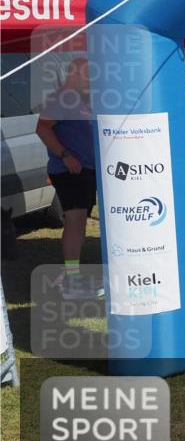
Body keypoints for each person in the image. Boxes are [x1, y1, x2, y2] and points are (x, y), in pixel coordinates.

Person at [35, 58, 101, 299]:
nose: (91, 79)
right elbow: (42, 128)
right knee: (75, 220)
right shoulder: (60, 98)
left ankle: (69, 275)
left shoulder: (83, 100)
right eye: (87, 74)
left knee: (80, 222)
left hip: (87, 169)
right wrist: (65, 155)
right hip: (68, 169)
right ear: (73, 73)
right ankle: (71, 279)